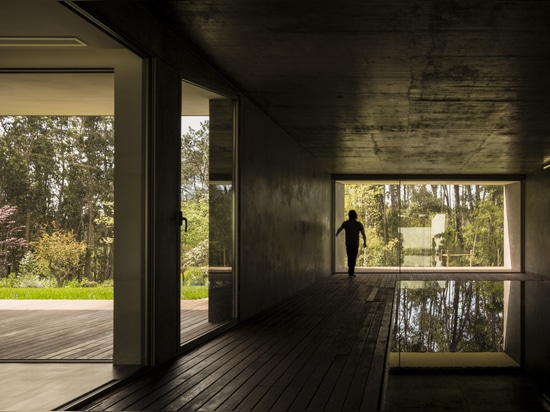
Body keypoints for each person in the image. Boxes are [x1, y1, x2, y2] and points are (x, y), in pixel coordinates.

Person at [336, 210, 366, 277]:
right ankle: (351, 271)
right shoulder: (358, 224)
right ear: (355, 215)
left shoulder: (346, 223)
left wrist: (337, 233)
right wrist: (365, 242)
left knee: (349, 256)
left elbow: (340, 229)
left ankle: (350, 270)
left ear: (349, 215)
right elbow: (363, 234)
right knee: (353, 257)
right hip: (355, 243)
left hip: (348, 243)